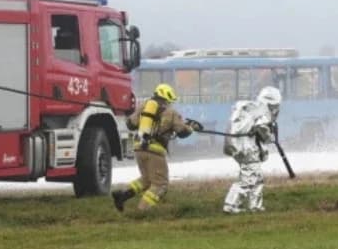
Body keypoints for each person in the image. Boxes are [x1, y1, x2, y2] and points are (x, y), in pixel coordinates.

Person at [112, 83, 201, 212]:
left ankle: (122, 195)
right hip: (155, 151)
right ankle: (142, 211)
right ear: (167, 98)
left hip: (139, 148)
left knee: (146, 180)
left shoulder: (144, 107)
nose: (170, 103)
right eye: (170, 101)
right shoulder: (171, 112)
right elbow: (182, 132)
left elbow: (130, 125)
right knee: (160, 184)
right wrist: (192, 128)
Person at [222, 86, 282, 214]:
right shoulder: (263, 110)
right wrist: (269, 138)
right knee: (248, 178)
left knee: (257, 177)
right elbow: (261, 126)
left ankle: (255, 206)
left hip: (238, 146)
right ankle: (231, 205)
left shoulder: (249, 108)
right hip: (247, 148)